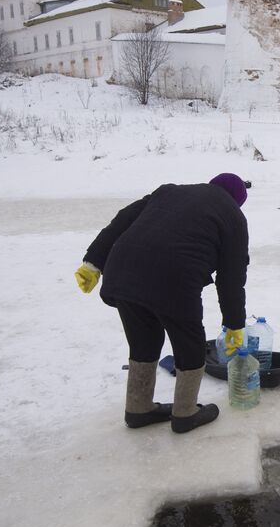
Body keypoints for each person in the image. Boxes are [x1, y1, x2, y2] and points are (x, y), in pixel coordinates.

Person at [74, 173, 250, 434]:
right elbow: (231, 278)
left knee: (144, 341)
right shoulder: (233, 217)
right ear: (237, 200)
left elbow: (122, 220)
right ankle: (186, 413)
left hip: (123, 271)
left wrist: (93, 263)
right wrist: (234, 325)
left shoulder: (169, 191)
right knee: (189, 343)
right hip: (174, 278)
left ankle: (138, 408)